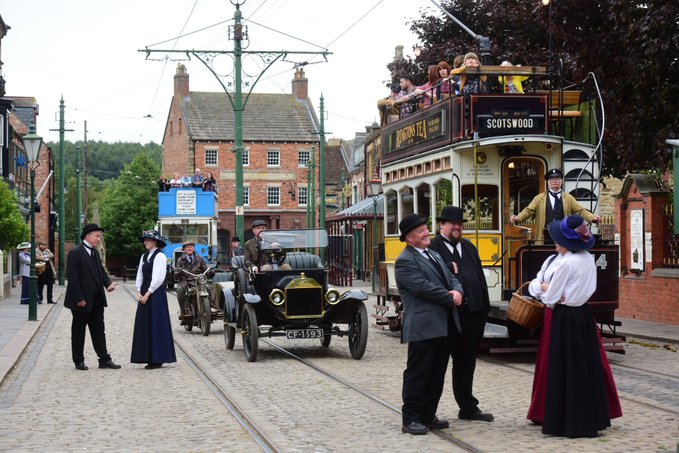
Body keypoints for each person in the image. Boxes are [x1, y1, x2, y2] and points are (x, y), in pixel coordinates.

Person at [527, 215, 622, 437]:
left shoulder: (566, 264)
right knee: (584, 368)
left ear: (567, 242)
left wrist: (545, 287)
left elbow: (550, 298)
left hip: (563, 319)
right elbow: (589, 288)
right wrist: (557, 292)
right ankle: (590, 417)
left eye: (559, 239)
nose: (556, 242)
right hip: (582, 316)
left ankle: (566, 419)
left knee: (563, 369)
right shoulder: (588, 258)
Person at [395, 214, 463, 435]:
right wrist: (449, 296)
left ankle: (428, 414)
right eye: (421, 230)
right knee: (419, 373)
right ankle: (411, 418)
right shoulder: (405, 260)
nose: (427, 233)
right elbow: (421, 287)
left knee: (437, 372)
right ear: (409, 237)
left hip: (443, 324)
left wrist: (458, 290)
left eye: (426, 228)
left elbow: (450, 277)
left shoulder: (433, 254)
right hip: (423, 326)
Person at [429, 206, 494, 422]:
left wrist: (484, 309)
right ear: (442, 225)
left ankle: (467, 406)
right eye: (452, 223)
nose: (457, 227)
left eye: (460, 224)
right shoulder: (433, 247)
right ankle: (429, 411)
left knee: (467, 363)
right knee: (437, 364)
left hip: (472, 315)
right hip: (447, 316)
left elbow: (479, 279)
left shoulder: (468, 247)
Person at [64, 224, 120, 371]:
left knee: (99, 330)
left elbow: (101, 272)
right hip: (81, 301)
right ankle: (78, 360)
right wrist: (79, 298)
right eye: (97, 236)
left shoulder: (95, 252)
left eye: (100, 237)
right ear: (87, 235)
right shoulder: (75, 253)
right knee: (79, 331)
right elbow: (73, 278)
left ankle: (104, 359)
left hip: (96, 299)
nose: (99, 239)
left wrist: (108, 285)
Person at [510, 168, 600, 241]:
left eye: (557, 179)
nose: (555, 181)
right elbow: (528, 211)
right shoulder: (539, 198)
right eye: (552, 179)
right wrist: (518, 218)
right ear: (548, 182)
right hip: (545, 236)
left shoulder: (568, 198)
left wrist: (592, 218)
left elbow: (580, 211)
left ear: (561, 181)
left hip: (564, 235)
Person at [131, 230, 177, 369]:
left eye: (148, 240)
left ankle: (158, 357)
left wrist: (148, 293)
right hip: (144, 292)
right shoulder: (144, 256)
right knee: (144, 324)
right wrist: (139, 291)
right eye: (145, 240)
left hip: (155, 293)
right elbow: (140, 274)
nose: (145, 242)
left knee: (156, 323)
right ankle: (146, 356)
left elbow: (159, 277)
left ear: (155, 242)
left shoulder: (160, 256)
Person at [173, 241, 208, 325]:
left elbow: (205, 269)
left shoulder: (200, 258)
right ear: (184, 249)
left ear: (194, 248)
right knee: (180, 290)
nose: (189, 248)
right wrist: (179, 272)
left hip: (197, 280)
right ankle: (183, 311)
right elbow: (176, 272)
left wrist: (210, 272)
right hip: (185, 280)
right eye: (187, 247)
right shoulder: (180, 259)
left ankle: (207, 308)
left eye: (191, 247)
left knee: (209, 289)